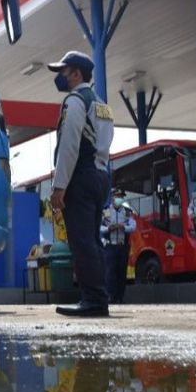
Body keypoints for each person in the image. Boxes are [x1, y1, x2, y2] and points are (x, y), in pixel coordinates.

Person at [47, 51, 115, 317]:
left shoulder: (74, 101)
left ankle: (94, 300)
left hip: (81, 176)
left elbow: (69, 146)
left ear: (76, 73)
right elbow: (105, 143)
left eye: (62, 72)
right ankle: (99, 296)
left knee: (82, 241)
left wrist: (59, 186)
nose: (60, 78)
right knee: (93, 241)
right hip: (100, 174)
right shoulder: (102, 104)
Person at [100, 189, 136, 304]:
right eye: (117, 196)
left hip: (122, 246)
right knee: (110, 272)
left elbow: (133, 226)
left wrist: (123, 227)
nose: (120, 198)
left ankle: (120, 297)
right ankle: (111, 296)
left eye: (121, 196)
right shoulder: (106, 211)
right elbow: (98, 227)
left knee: (121, 273)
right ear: (112, 197)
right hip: (110, 246)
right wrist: (108, 228)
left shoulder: (126, 211)